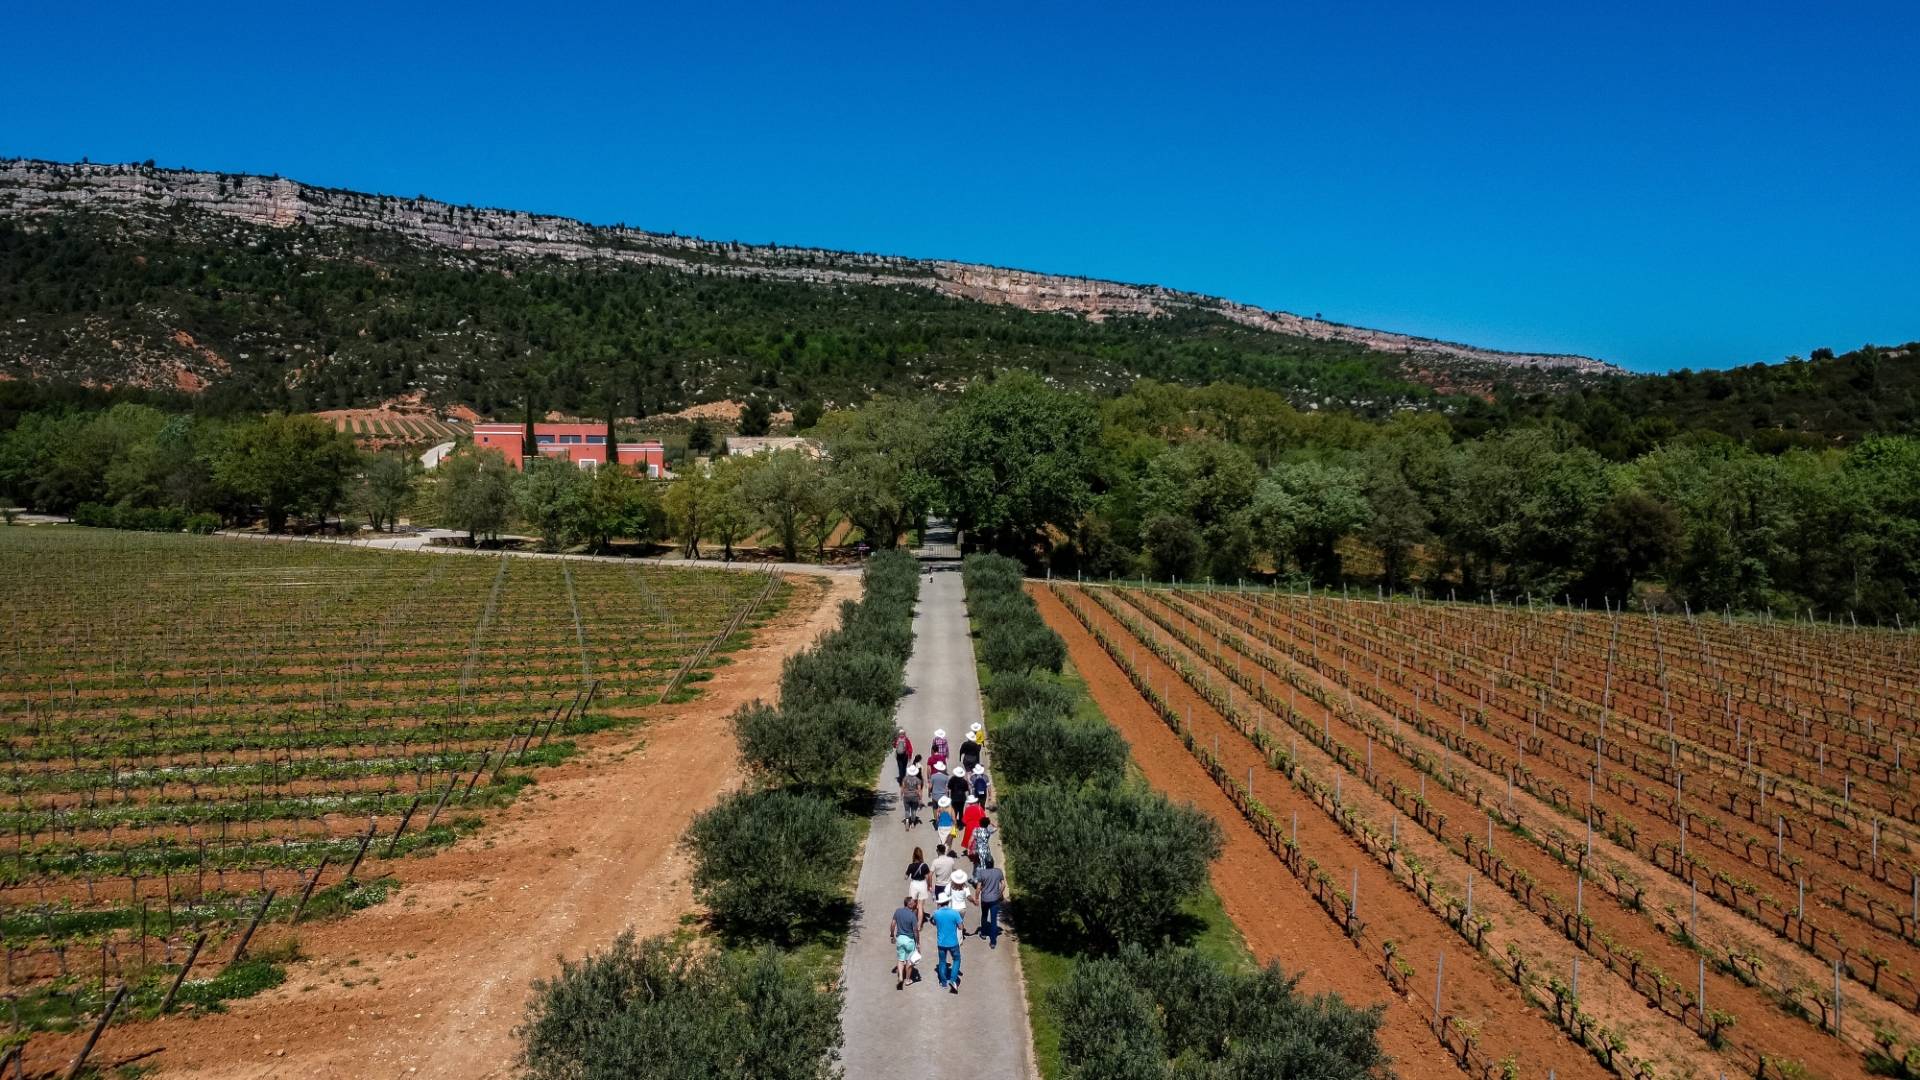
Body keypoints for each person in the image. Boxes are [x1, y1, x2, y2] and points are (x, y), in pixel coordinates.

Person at [931, 890, 966, 993]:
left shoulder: (936, 913)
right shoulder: (954, 913)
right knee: (956, 959)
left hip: (941, 942)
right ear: (948, 902)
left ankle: (943, 982)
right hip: (953, 942)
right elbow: (961, 927)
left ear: (939, 903)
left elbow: (933, 922)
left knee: (942, 961)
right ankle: (953, 979)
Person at [974, 855, 1008, 949]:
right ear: (993, 863)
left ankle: (984, 933)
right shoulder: (998, 872)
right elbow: (1003, 885)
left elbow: (978, 888)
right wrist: (999, 893)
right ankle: (993, 942)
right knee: (993, 920)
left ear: (985, 863)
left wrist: (976, 898)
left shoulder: (982, 873)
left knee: (984, 916)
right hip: (995, 900)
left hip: (985, 899)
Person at [892, 895, 920, 990]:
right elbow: (915, 931)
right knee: (909, 961)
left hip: (900, 939)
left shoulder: (898, 911)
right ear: (909, 904)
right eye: (913, 902)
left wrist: (892, 935)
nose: (915, 903)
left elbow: (893, 924)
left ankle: (900, 977)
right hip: (909, 940)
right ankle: (907, 980)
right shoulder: (912, 916)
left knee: (900, 959)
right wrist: (918, 942)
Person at [929, 842, 956, 915]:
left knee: (939, 903)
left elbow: (930, 875)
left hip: (939, 885)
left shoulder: (935, 861)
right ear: (944, 851)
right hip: (949, 885)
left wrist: (930, 886)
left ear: (938, 851)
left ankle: (939, 917)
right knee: (949, 902)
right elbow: (954, 871)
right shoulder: (951, 860)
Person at [905, 846, 931, 917]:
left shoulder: (911, 866)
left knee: (913, 904)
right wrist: (929, 886)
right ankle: (919, 925)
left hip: (914, 885)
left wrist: (908, 873)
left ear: (914, 855)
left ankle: (913, 921)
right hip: (922, 884)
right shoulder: (924, 865)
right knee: (920, 905)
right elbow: (927, 877)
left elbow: (905, 877)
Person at [900, 763, 924, 829]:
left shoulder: (905, 778)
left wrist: (901, 795)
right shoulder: (918, 780)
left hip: (906, 796)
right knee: (913, 810)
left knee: (907, 810)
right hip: (914, 797)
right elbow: (919, 790)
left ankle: (907, 821)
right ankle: (913, 823)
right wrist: (920, 798)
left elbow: (902, 787)